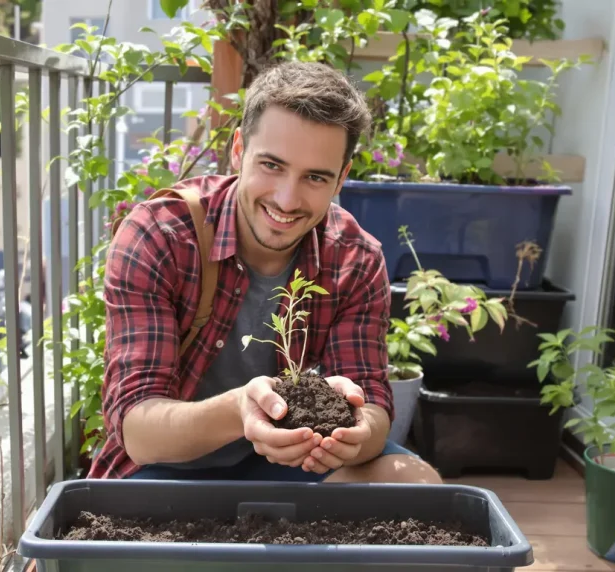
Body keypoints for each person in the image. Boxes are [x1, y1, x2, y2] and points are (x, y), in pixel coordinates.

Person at [88, 61, 441, 485]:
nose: (287, 199)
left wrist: (356, 434)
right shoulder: (161, 236)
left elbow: (374, 403)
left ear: (342, 178)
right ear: (238, 150)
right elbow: (137, 430)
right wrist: (241, 410)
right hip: (165, 469)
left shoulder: (354, 258)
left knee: (414, 483)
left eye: (314, 177)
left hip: (292, 462)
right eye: (272, 165)